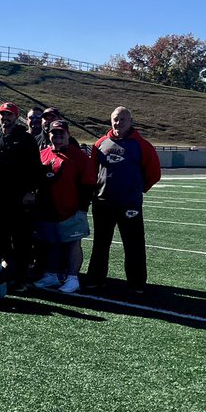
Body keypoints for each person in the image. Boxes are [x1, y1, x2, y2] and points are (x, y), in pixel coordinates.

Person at [85, 107, 161, 293]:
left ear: (131, 121)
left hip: (129, 204)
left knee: (134, 245)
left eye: (123, 119)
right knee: (100, 244)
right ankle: (96, 279)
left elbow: (154, 173)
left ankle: (136, 284)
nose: (118, 123)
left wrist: (136, 190)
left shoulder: (142, 145)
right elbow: (92, 173)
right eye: (115, 119)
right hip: (103, 204)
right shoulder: (100, 144)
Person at [33, 120, 95, 293]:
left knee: (73, 244)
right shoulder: (42, 154)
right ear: (49, 134)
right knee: (51, 243)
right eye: (54, 133)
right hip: (48, 209)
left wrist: (81, 208)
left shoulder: (79, 156)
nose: (57, 136)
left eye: (61, 133)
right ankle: (51, 275)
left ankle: (73, 278)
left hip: (71, 210)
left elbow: (89, 183)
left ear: (68, 135)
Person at [0, 102, 42, 283]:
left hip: (19, 199)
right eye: (2, 114)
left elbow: (35, 168)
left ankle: (21, 278)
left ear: (16, 117)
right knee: (0, 238)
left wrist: (31, 191)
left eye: (9, 114)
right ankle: (1, 274)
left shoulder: (26, 139)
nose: (5, 117)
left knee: (21, 240)